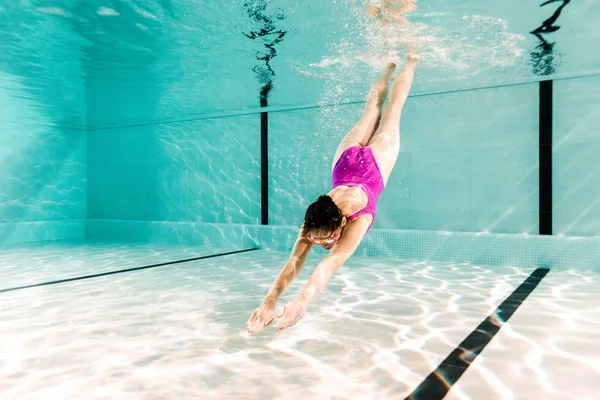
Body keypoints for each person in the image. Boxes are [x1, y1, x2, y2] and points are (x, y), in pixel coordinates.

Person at [246, 54, 419, 333]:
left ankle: (410, 59)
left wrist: (302, 299)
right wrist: (270, 300)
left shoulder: (358, 220)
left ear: (341, 223)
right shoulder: (315, 219)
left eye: (330, 239)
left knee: (390, 110)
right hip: (347, 161)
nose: (325, 245)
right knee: (372, 110)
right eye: (319, 241)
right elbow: (295, 261)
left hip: (373, 161)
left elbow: (332, 262)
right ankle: (388, 64)